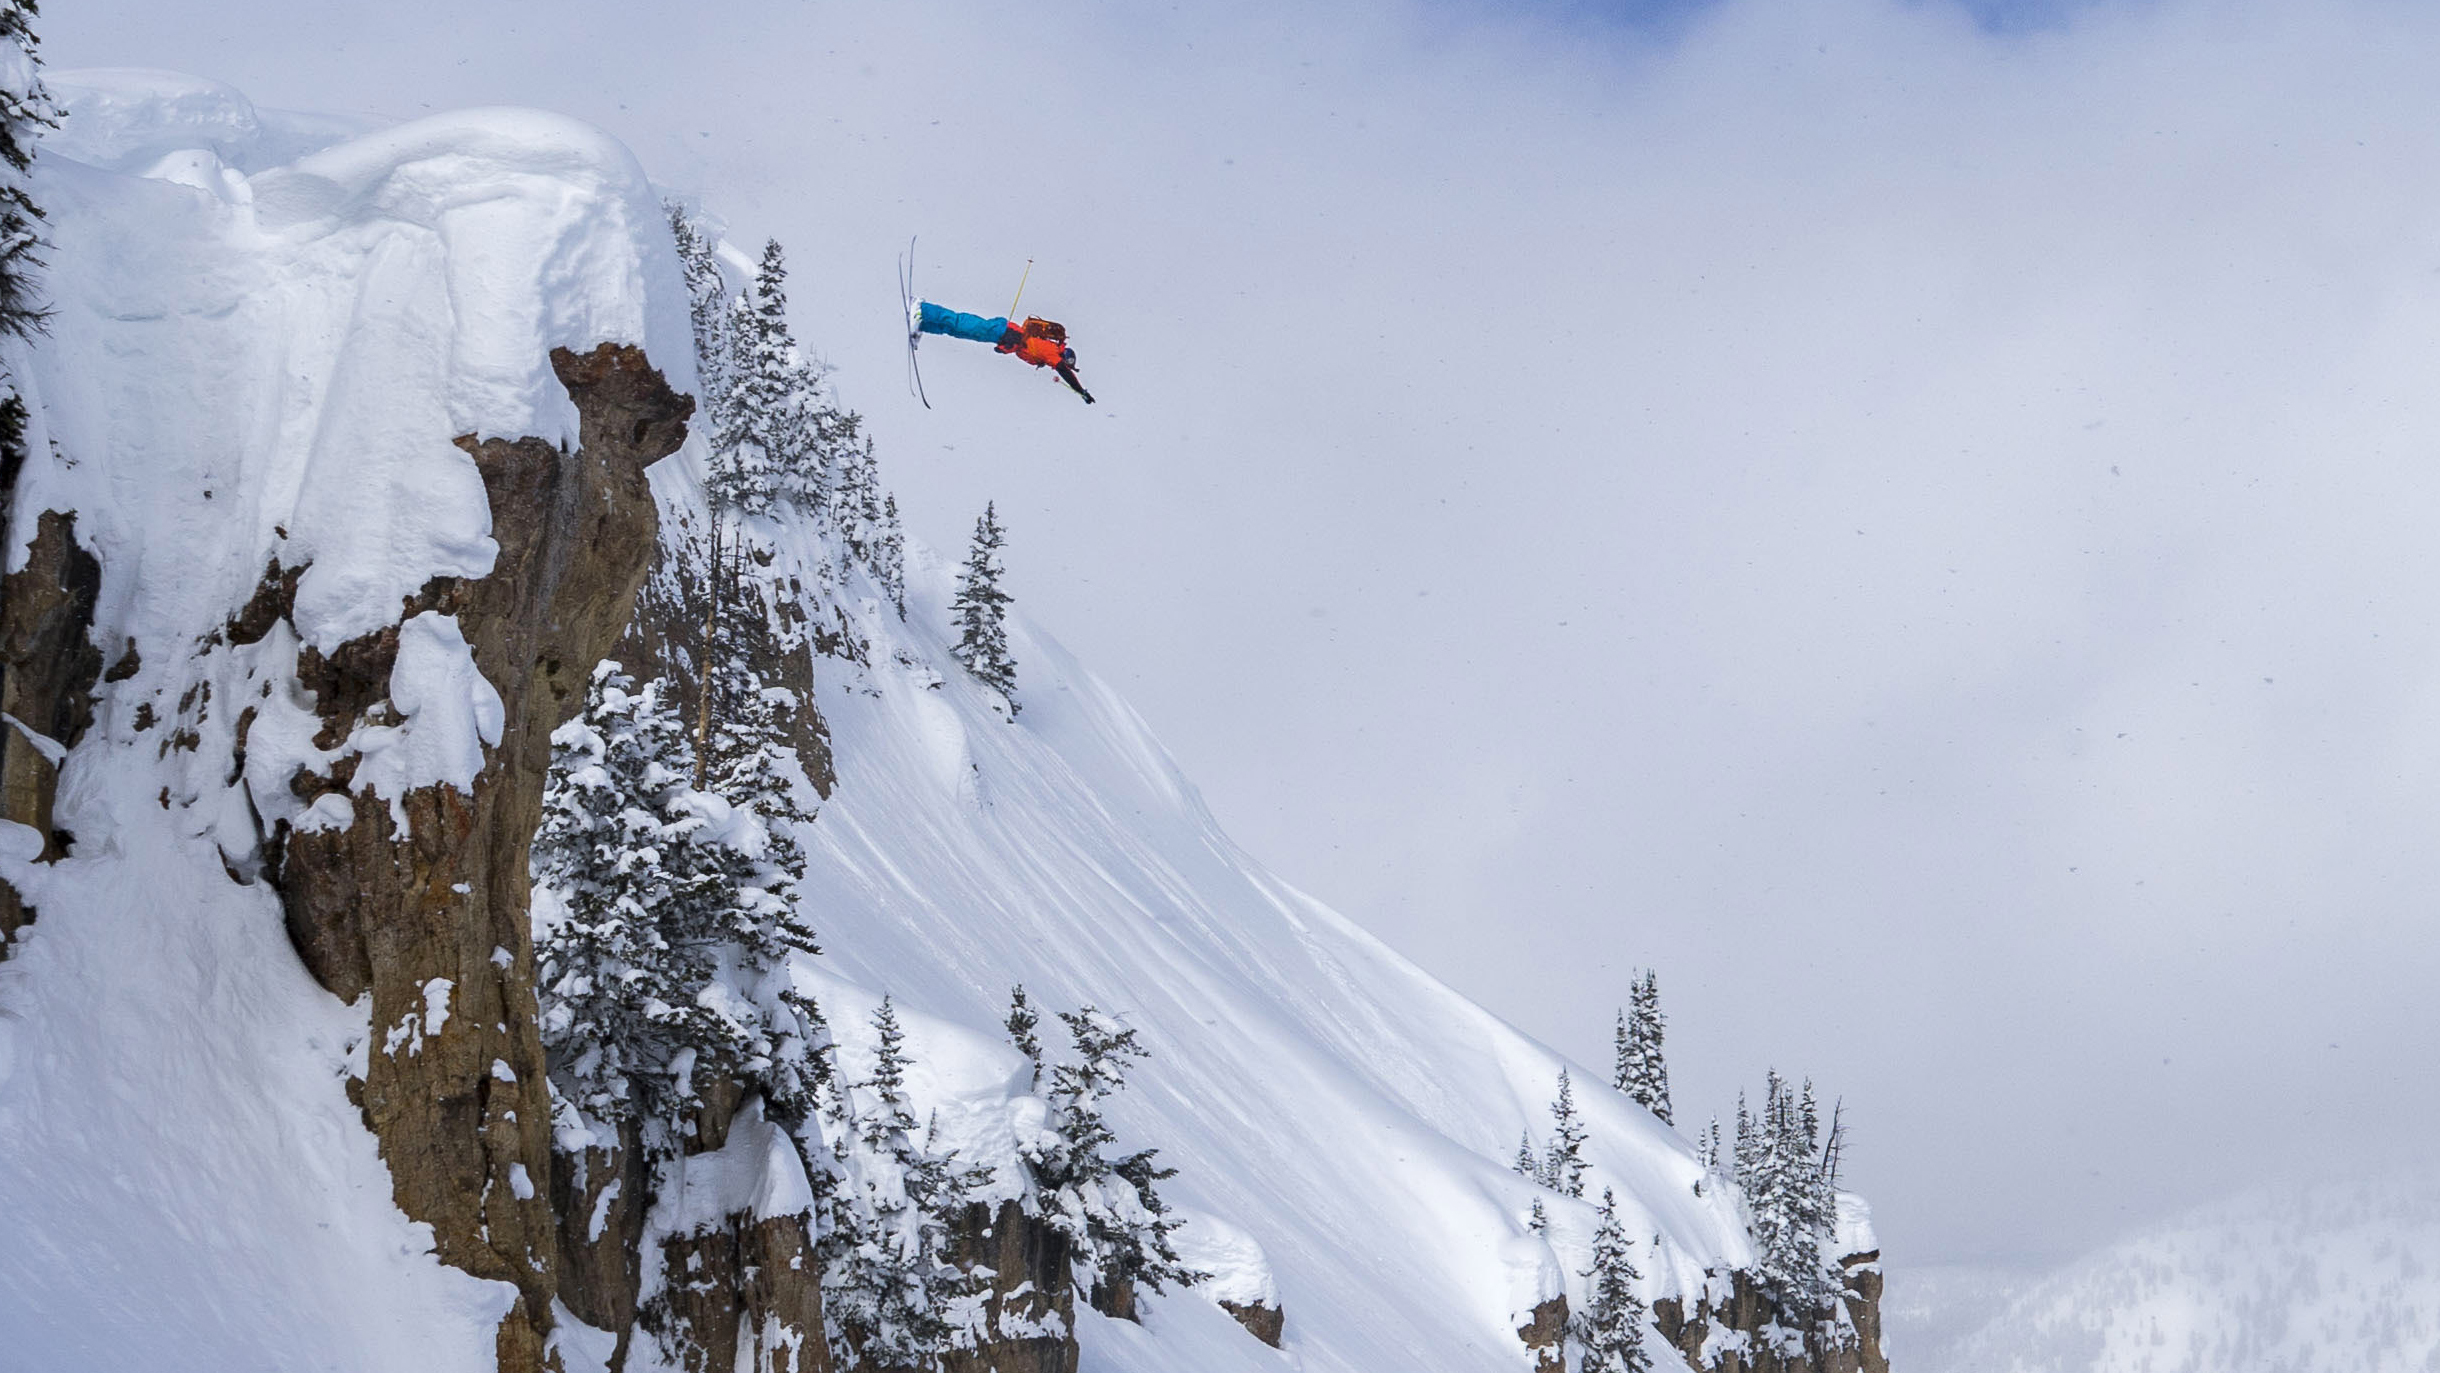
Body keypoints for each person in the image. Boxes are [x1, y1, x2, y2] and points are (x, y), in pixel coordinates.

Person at [916, 301, 1095, 404]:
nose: (1062, 367)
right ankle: (921, 308)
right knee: (958, 322)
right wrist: (1081, 391)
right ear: (1065, 357)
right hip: (1001, 330)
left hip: (1000, 336)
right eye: (1067, 364)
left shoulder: (1048, 354)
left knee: (957, 331)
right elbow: (1065, 372)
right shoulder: (1052, 352)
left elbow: (1024, 348)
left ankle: (921, 324)